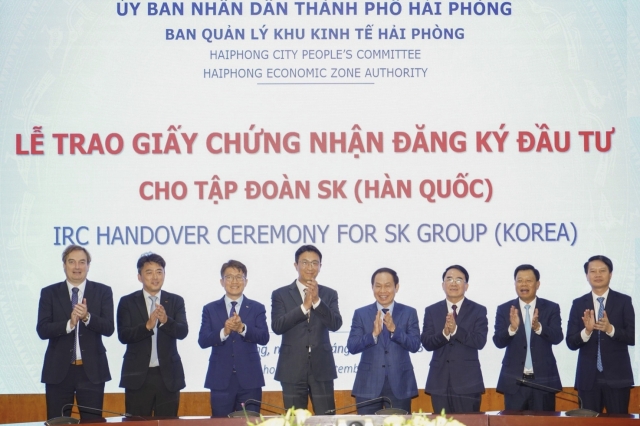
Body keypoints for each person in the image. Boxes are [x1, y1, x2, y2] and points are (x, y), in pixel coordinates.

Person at [37, 245, 114, 420]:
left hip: (91, 372)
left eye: (82, 262)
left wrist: (87, 317)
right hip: (58, 372)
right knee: (57, 422)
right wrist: (69, 324)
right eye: (71, 262)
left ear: (88, 265)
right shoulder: (49, 293)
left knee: (93, 423)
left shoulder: (103, 291)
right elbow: (42, 329)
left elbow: (109, 328)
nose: (77, 267)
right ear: (64, 265)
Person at [271, 244, 342, 414]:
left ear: (320, 266)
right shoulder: (280, 294)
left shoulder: (329, 294)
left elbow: (335, 324)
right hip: (291, 368)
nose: (310, 267)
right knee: (295, 419)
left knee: (327, 420)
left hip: (322, 367)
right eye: (305, 263)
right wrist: (304, 307)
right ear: (296, 265)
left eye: (314, 263)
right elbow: (277, 326)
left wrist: (317, 301)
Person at [117, 253, 188, 417]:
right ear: (139, 277)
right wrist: (147, 326)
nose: (155, 277)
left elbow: (183, 331)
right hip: (137, 377)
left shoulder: (176, 301)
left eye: (159, 271)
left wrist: (165, 321)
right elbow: (123, 335)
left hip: (168, 376)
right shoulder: (127, 302)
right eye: (149, 272)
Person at [198, 260, 270, 417]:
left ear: (246, 281)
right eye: (229, 277)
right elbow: (203, 341)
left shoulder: (257, 308)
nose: (234, 281)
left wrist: (242, 329)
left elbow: (264, 337)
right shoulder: (210, 309)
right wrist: (224, 331)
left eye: (239, 277)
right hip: (220, 379)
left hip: (250, 379)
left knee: (249, 422)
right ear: (221, 281)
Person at [566, 255, 635, 414]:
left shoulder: (624, 301)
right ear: (587, 275)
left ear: (610, 274)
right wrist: (587, 331)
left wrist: (610, 329)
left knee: (619, 424)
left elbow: (632, 337)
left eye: (602, 271)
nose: (597, 274)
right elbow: (570, 342)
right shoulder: (578, 304)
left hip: (618, 377)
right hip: (588, 378)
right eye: (593, 271)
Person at [347, 267, 420, 414]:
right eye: (378, 286)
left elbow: (415, 344)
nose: (383, 290)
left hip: (400, 383)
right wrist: (372, 334)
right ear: (372, 287)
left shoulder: (409, 312)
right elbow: (352, 346)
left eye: (388, 285)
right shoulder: (361, 313)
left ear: (396, 287)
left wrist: (395, 330)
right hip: (368, 384)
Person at [493, 264, 563, 411]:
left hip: (543, 382)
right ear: (515, 284)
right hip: (515, 382)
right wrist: (512, 328)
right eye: (519, 280)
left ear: (537, 284)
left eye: (528, 280)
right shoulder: (504, 309)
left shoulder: (551, 308)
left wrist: (539, 328)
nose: (523, 284)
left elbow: (558, 337)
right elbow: (498, 341)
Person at [421, 265, 487, 413]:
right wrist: (444, 333)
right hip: (439, 382)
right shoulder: (431, 310)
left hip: (468, 383)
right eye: (449, 279)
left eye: (459, 279)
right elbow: (426, 342)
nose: (453, 283)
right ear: (443, 285)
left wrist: (456, 330)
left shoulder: (478, 310)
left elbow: (480, 341)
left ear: (466, 286)